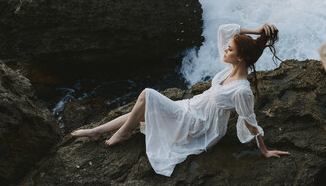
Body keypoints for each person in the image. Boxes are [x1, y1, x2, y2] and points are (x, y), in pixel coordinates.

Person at [71, 22, 290, 176]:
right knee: (143, 110)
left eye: (230, 49)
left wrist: (264, 150)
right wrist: (258, 30)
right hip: (192, 107)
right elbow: (225, 28)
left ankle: (123, 131)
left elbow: (250, 122)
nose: (225, 49)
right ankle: (97, 132)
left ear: (240, 57)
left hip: (199, 125)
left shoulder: (241, 90)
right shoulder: (230, 69)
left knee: (148, 95)